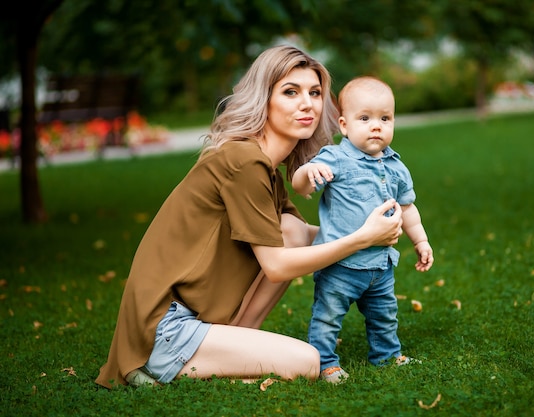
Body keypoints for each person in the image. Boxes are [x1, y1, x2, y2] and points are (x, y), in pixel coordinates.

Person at [95, 46, 404, 388]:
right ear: (264, 99)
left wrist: (375, 233)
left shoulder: (266, 166)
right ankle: (166, 365)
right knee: (307, 361)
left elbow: (304, 235)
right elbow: (277, 266)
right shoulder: (244, 162)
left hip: (190, 316)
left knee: (294, 230)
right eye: (290, 92)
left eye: (315, 93)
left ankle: (234, 341)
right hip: (164, 328)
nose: (308, 104)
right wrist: (362, 238)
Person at [291, 76, 434, 384]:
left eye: (385, 118)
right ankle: (325, 363)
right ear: (344, 125)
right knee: (327, 318)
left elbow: (407, 208)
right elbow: (300, 185)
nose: (376, 126)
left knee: (384, 316)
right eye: (365, 118)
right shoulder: (335, 158)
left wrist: (420, 240)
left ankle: (386, 356)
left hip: (380, 266)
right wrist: (307, 172)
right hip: (340, 266)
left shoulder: (397, 166)